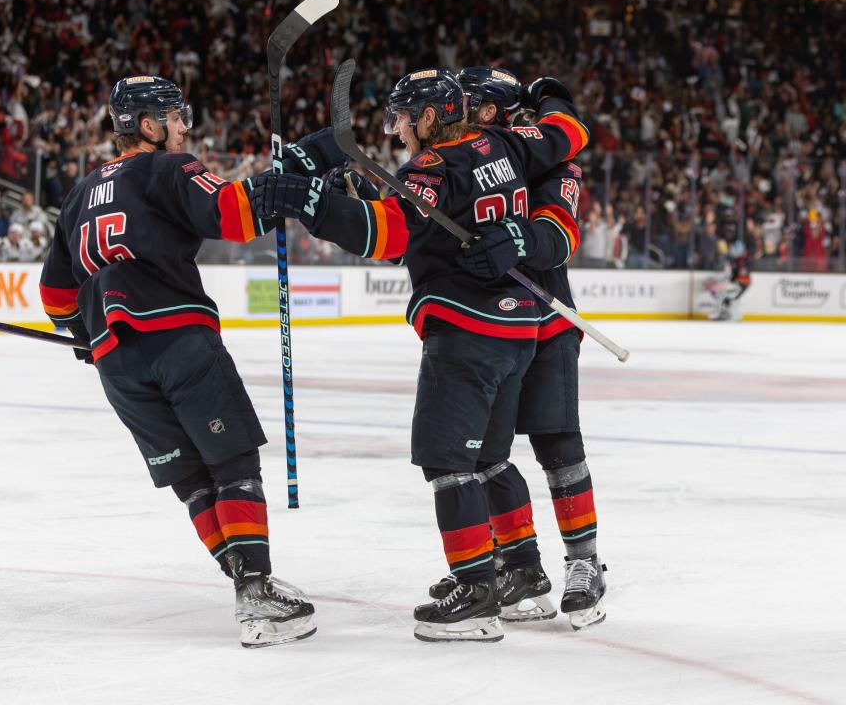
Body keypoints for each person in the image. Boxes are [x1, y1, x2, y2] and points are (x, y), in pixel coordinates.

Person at [250, 68, 588, 642]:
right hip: (519, 332)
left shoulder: (431, 166)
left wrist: (315, 204)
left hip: (466, 332)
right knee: (491, 460)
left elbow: (392, 235)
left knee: (447, 462)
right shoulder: (505, 144)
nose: (398, 129)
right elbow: (565, 134)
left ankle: (476, 591)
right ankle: (523, 576)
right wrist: (554, 98)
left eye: (403, 117)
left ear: (429, 117)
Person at [38, 75, 341, 649]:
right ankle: (255, 594)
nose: (184, 127)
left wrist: (84, 333)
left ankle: (245, 579)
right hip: (177, 337)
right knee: (232, 461)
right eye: (176, 118)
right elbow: (233, 214)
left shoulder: (78, 193)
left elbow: (55, 296)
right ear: (148, 126)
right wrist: (303, 173)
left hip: (116, 364)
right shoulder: (169, 169)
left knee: (191, 477)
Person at [443, 65, 605, 630]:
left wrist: (518, 239)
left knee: (558, 441)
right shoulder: (463, 159)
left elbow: (558, 236)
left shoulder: (547, 161)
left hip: (548, 323)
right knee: (486, 454)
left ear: (489, 111)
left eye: (464, 103)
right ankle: (521, 567)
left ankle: (585, 565)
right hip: (489, 326)